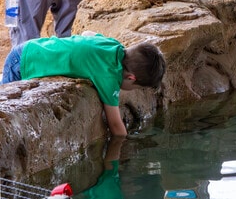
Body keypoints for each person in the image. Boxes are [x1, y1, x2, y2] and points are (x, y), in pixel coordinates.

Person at [1, 32, 166, 137]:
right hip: (22, 63)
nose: (133, 91)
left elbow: (88, 33)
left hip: (31, 47)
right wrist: (127, 142)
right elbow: (115, 125)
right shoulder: (109, 76)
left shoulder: (114, 46)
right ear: (131, 78)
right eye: (138, 88)